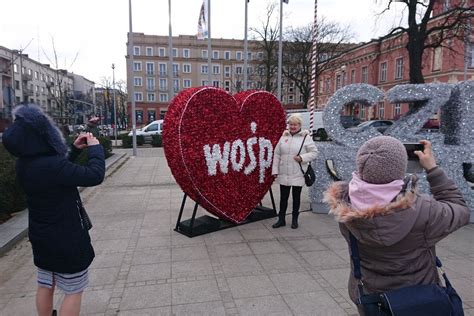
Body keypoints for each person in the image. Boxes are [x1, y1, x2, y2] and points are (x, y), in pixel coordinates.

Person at [324, 136, 470, 314]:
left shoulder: (344, 206)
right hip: (419, 297)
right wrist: (433, 169)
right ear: (402, 168)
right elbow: (460, 210)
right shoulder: (423, 210)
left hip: (372, 298)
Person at [2, 104, 105, 316]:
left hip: (42, 237)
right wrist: (95, 147)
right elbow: (94, 175)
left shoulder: (25, 164)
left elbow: (57, 174)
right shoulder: (52, 166)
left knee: (46, 283)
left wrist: (74, 150)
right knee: (74, 290)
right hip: (66, 238)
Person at [271, 113, 317, 229]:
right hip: (284, 172)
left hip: (298, 172)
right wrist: (275, 170)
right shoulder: (284, 137)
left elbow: (314, 153)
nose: (293, 126)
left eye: (295, 124)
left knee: (296, 198)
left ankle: (294, 219)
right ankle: (281, 219)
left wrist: (302, 158)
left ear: (300, 125)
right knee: (283, 198)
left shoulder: (306, 138)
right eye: (291, 124)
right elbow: (277, 154)